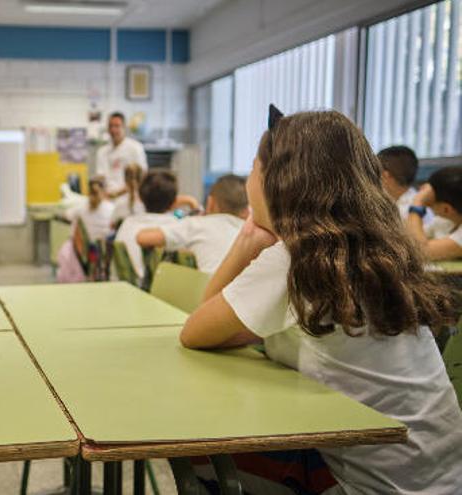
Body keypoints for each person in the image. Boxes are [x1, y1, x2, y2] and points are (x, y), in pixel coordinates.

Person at [179, 107, 462, 494]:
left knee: (203, 452)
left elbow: (196, 330)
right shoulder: (380, 251)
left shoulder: (295, 260)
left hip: (376, 489)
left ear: (276, 181)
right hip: (443, 478)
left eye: (253, 169)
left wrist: (246, 242)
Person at [136, 174, 248, 273]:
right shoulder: (250, 232)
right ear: (247, 209)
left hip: (208, 292)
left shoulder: (196, 225)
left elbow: (142, 237)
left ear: (210, 203)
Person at [113, 170, 179, 278]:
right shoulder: (178, 227)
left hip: (127, 289)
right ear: (175, 201)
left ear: (140, 197)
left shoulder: (128, 223)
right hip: (159, 292)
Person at [405, 166, 462, 261]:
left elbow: (419, 252)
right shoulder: (445, 220)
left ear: (446, 209)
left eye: (430, 204)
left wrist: (417, 204)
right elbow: (408, 239)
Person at [95, 112, 148, 197]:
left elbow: (141, 177)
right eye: (110, 126)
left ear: (124, 128)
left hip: (129, 196)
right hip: (106, 196)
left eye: (117, 126)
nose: (113, 130)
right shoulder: (102, 151)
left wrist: (117, 193)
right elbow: (100, 177)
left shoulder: (135, 148)